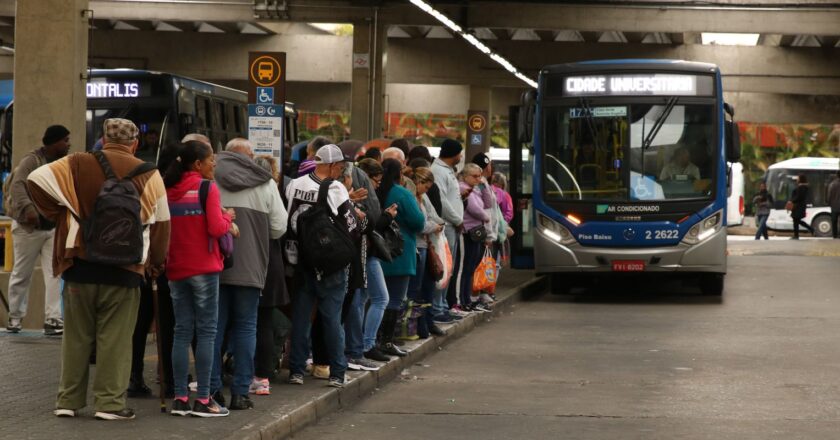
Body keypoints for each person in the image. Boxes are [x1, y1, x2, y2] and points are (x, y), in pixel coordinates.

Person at [28, 118, 171, 420]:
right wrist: (156, 263)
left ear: (104, 140)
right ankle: (109, 404)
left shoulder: (78, 162)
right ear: (135, 144)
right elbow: (161, 226)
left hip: (79, 264)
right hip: (126, 270)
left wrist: (59, 212)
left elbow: (35, 179)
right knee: (115, 340)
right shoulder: (150, 174)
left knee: (76, 337)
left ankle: (68, 401)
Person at [210, 138, 287, 410]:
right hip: (251, 267)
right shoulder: (265, 182)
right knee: (246, 327)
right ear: (249, 156)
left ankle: (212, 390)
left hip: (215, 265)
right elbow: (278, 227)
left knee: (214, 328)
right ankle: (241, 393)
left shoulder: (209, 178)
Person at [164, 141, 234, 417]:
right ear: (197, 164)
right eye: (211, 160)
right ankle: (203, 399)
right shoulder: (207, 188)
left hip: (176, 268)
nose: (214, 164)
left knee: (181, 332)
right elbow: (216, 228)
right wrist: (228, 218)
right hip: (204, 268)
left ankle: (180, 397)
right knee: (206, 332)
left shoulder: (168, 189)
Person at [286, 144, 361, 388]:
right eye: (339, 166)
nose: (341, 170)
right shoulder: (336, 188)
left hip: (300, 259)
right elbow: (351, 225)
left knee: (300, 318)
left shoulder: (294, 185)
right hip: (328, 263)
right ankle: (337, 373)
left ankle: (296, 370)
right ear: (330, 165)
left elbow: (288, 220)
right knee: (331, 319)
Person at [5, 125, 70, 335]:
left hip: (52, 228)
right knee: (22, 273)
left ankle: (53, 319)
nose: (68, 144)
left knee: (54, 274)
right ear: (53, 142)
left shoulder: (61, 163)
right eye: (65, 140)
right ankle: (15, 317)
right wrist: (30, 210)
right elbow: (17, 185)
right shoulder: (31, 161)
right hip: (28, 228)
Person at [377, 158, 425, 357]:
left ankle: (372, 339)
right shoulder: (402, 194)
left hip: (376, 251)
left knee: (375, 299)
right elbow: (418, 221)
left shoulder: (374, 191)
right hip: (399, 251)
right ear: (400, 174)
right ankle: (387, 341)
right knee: (394, 298)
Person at [251, 155, 289, 396]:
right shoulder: (269, 189)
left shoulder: (227, 185)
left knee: (231, 322)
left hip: (235, 264)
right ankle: (261, 376)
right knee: (262, 322)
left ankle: (219, 375)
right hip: (268, 262)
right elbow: (279, 228)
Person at [406, 167, 447, 339]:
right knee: (416, 289)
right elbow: (420, 224)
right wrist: (435, 226)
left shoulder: (423, 198)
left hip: (426, 245)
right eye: (426, 186)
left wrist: (437, 224)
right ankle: (416, 326)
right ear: (418, 182)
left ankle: (428, 323)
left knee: (429, 287)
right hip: (417, 245)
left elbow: (434, 217)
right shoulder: (410, 198)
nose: (427, 190)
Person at [430, 139, 465, 323]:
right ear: (453, 153)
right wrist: (458, 219)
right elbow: (442, 202)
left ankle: (442, 304)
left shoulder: (447, 170)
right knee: (444, 266)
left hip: (453, 226)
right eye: (460, 153)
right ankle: (437, 308)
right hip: (448, 225)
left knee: (449, 267)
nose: (461, 156)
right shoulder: (438, 171)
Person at [456, 163, 493, 312]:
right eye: (475, 176)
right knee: (466, 267)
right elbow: (475, 209)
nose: (478, 179)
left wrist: (484, 186)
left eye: (480, 176)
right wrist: (486, 217)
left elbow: (488, 203)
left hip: (477, 231)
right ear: (465, 176)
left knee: (472, 267)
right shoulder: (463, 188)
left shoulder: (476, 189)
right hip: (468, 232)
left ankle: (467, 298)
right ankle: (463, 299)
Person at [788, 174, 813, 240]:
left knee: (796, 220)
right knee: (796, 220)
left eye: (798, 178)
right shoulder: (802, 187)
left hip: (798, 206)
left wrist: (792, 200)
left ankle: (797, 235)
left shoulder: (801, 187)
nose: (797, 179)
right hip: (799, 206)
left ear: (801, 179)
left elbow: (799, 197)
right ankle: (797, 235)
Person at [827, 171, 840, 239]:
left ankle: (835, 235)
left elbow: (829, 195)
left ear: (837, 175)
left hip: (834, 206)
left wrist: (829, 203)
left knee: (834, 221)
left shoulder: (832, 184)